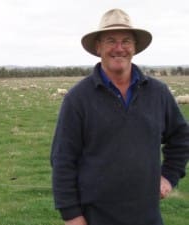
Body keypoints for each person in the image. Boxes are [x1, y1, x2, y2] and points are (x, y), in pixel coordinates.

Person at [50, 8, 189, 225]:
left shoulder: (158, 93)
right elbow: (62, 160)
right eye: (110, 41)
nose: (119, 48)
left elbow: (181, 137)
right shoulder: (78, 98)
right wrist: (72, 216)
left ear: (135, 47)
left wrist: (169, 176)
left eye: (126, 41)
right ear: (98, 47)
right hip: (95, 216)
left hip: (147, 216)